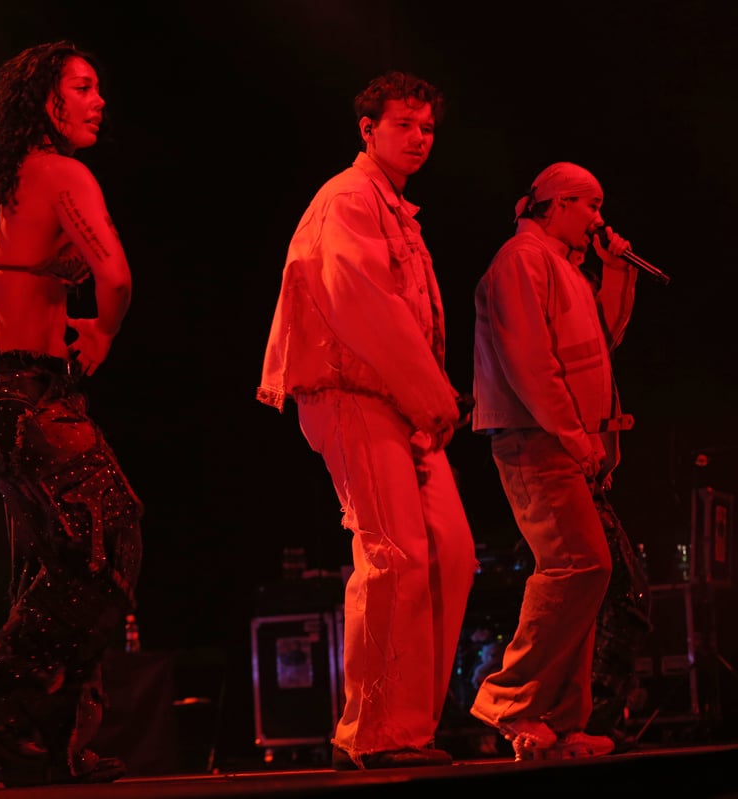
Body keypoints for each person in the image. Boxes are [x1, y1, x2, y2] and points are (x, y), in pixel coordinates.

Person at [0, 40, 142, 787]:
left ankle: (48, 746)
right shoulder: (62, 174)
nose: (98, 101)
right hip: (28, 394)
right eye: (82, 88)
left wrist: (21, 298)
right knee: (111, 538)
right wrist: (101, 331)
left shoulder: (6, 182)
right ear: (44, 102)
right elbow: (116, 276)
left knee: (53, 564)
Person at [257, 70, 477, 770]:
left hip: (401, 399)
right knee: (394, 554)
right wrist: (433, 396)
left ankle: (409, 724)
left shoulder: (395, 210)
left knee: (451, 554)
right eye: (404, 124)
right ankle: (376, 730)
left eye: (427, 127)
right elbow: (361, 302)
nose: (419, 137)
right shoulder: (348, 198)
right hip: (352, 391)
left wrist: (428, 398)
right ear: (368, 129)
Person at [468, 161, 639, 760]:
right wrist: (574, 435)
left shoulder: (560, 266)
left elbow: (601, 342)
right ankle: (510, 698)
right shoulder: (522, 260)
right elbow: (530, 363)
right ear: (559, 203)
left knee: (587, 572)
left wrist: (617, 271)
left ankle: (563, 722)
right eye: (590, 205)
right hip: (535, 436)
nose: (598, 218)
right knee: (577, 565)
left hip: (562, 438)